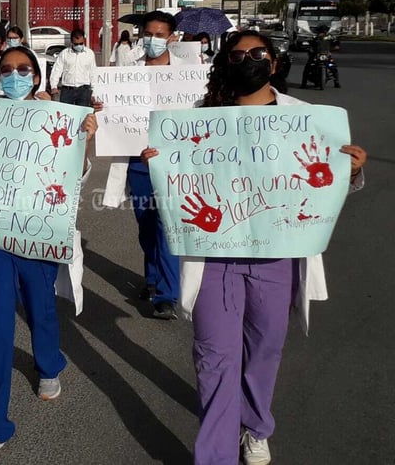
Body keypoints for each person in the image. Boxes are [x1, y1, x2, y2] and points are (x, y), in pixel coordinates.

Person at [141, 31, 367, 465]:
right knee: (215, 355)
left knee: (265, 347)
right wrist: (161, 167)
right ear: (225, 63)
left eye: (257, 53)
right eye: (238, 54)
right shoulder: (200, 119)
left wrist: (350, 171)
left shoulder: (307, 118)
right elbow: (179, 185)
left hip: (276, 256)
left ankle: (256, 426)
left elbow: (322, 190)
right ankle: (216, 455)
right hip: (215, 258)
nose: (247, 60)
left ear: (275, 64)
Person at [0, 4, 97, 463]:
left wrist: (84, 135)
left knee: (42, 308)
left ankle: (49, 363)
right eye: (6, 70)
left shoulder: (59, 118)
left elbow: (77, 177)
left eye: (23, 70)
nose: (13, 76)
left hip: (37, 236)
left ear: (38, 77)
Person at [103, 10, 186, 320]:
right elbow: (112, 111)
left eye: (160, 34)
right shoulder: (128, 72)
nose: (153, 40)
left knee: (167, 227)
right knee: (147, 226)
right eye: (148, 34)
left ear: (172, 38)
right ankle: (151, 278)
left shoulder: (187, 76)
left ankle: (167, 294)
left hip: (173, 164)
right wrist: (103, 107)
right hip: (138, 162)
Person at [48, 27, 96, 106]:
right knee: (66, 115)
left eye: (81, 43)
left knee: (83, 115)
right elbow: (57, 70)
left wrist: (94, 91)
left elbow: (93, 73)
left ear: (83, 40)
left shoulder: (89, 54)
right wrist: (53, 86)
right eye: (76, 44)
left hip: (84, 90)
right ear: (71, 42)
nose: (79, 46)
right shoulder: (64, 54)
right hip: (67, 90)